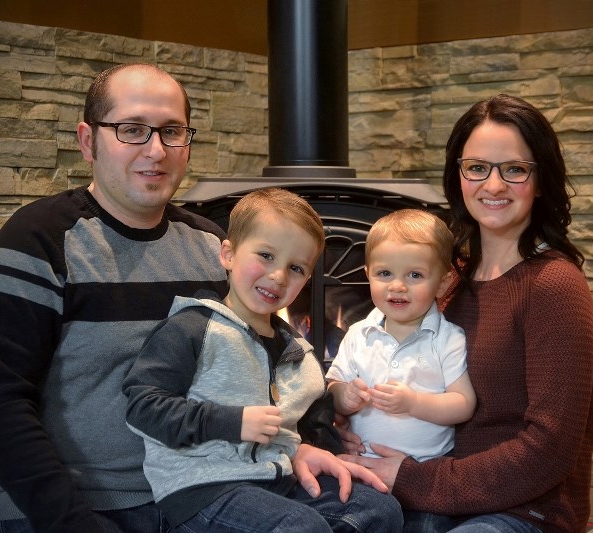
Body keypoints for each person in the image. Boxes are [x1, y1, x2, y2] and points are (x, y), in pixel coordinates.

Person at [0, 64, 383, 533]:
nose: (156, 150)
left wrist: (295, 446)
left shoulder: (211, 247)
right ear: (88, 141)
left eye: (172, 131)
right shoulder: (39, 241)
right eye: (133, 130)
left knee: (370, 511)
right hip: (83, 505)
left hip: (213, 485)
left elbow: (240, 378)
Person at [339, 94, 593, 533]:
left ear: (540, 180)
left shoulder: (554, 286)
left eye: (514, 169)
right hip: (431, 489)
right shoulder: (445, 278)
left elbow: (550, 448)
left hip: (521, 510)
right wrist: (355, 424)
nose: (493, 186)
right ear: (458, 175)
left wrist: (413, 478)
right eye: (477, 167)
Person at [123, 188, 404, 532]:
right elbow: (142, 409)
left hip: (278, 477)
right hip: (204, 488)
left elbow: (312, 419)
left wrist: (318, 451)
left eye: (296, 268)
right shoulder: (192, 328)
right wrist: (232, 422)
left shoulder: (298, 350)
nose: (279, 276)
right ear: (228, 254)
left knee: (379, 510)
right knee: (301, 528)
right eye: (266, 256)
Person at [326, 209, 475, 463]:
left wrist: (413, 403)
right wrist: (344, 396)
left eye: (415, 275)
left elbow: (463, 404)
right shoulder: (358, 335)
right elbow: (332, 388)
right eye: (385, 274)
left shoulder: (448, 339)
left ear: (442, 284)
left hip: (429, 463)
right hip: (364, 458)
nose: (397, 286)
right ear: (368, 274)